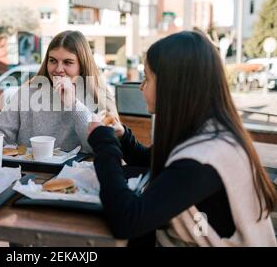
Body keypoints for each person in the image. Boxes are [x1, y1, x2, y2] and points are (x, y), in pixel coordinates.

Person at [87, 31, 277, 247]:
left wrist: (103, 143)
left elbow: (127, 220)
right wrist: (121, 138)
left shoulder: (205, 158)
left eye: (147, 78)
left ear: (173, 86)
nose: (141, 87)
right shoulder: (207, 132)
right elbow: (153, 162)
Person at [0, 30, 121, 154]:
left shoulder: (97, 96)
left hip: (75, 183)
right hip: (27, 177)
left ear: (82, 65)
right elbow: (0, 131)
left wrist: (73, 105)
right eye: (53, 61)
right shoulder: (29, 91)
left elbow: (98, 147)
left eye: (68, 62)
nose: (58, 69)